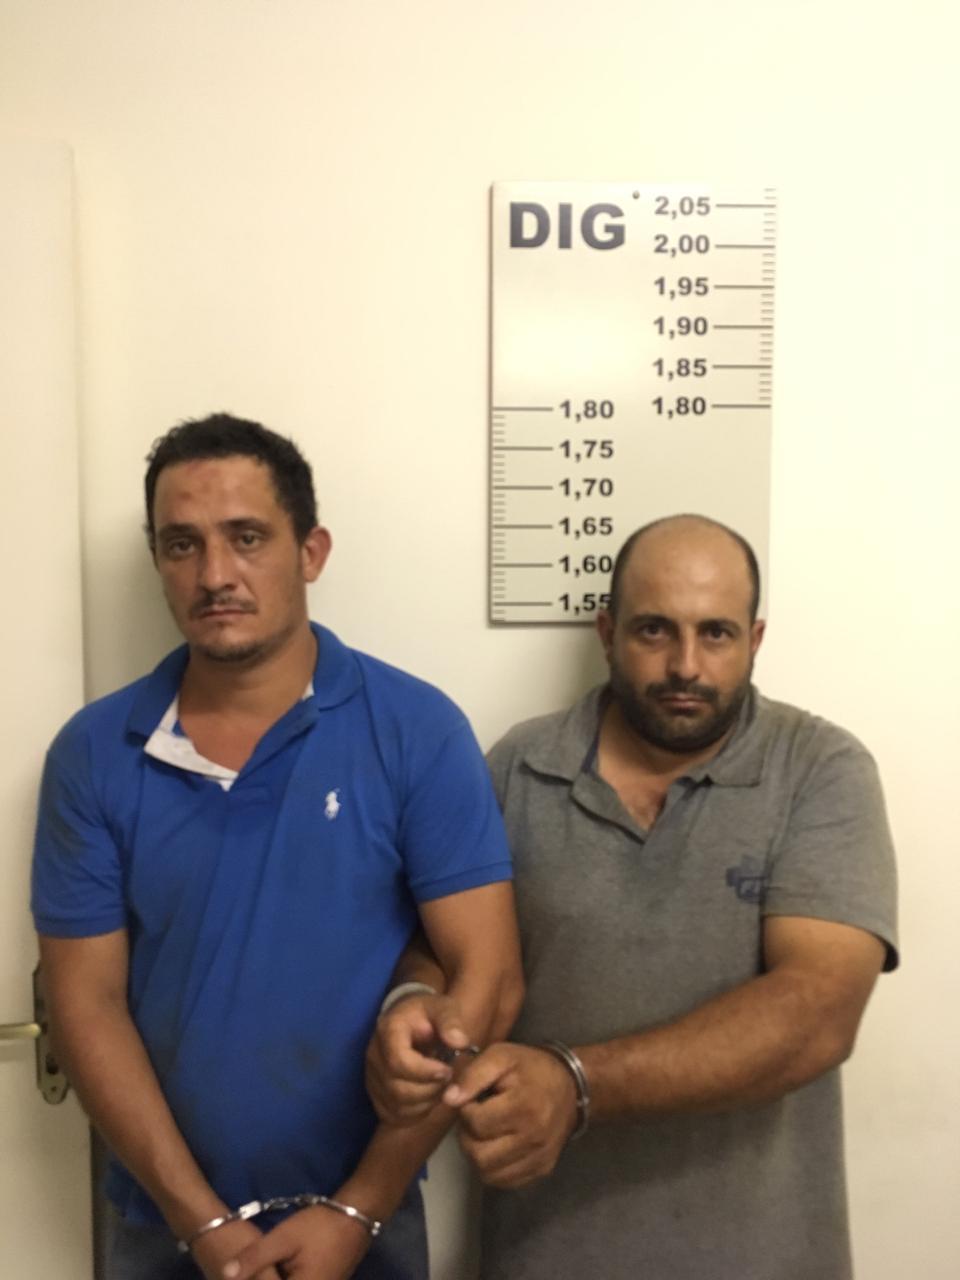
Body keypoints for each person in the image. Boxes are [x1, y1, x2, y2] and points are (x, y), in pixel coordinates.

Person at [31, 413, 523, 1280]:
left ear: (311, 551)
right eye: (182, 544)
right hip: (160, 1226)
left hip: (365, 1223)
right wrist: (202, 1225)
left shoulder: (414, 729)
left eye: (247, 537)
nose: (215, 574)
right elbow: (85, 1005)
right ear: (157, 560)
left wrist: (358, 1208)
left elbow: (489, 975)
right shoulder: (94, 753)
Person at [369, 514, 898, 1280]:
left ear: (755, 639)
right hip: (544, 1255)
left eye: (715, 634)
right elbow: (450, 952)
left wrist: (575, 1085)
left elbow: (818, 1013)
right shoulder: (519, 766)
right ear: (607, 633)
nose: (686, 665)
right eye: (655, 630)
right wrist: (412, 1007)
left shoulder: (819, 769)